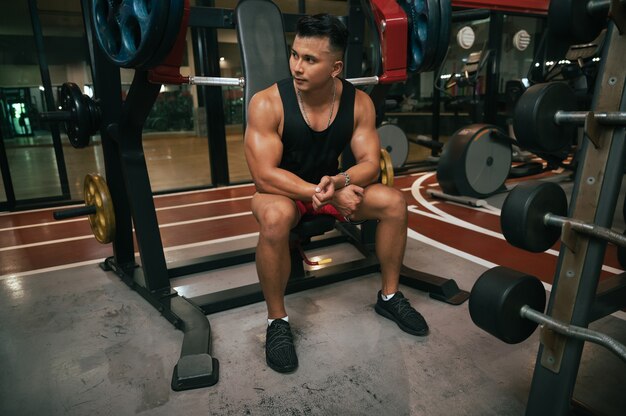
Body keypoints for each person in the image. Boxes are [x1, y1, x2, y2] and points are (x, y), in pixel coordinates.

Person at [244, 13, 429, 374]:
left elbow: (370, 164)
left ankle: (389, 296)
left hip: (331, 185)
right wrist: (326, 193)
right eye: (295, 54)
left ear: (335, 67)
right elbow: (264, 176)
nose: (297, 66)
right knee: (275, 217)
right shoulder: (267, 103)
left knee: (393, 202)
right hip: (283, 192)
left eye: (310, 59)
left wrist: (340, 181)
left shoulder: (359, 103)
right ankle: (277, 322)